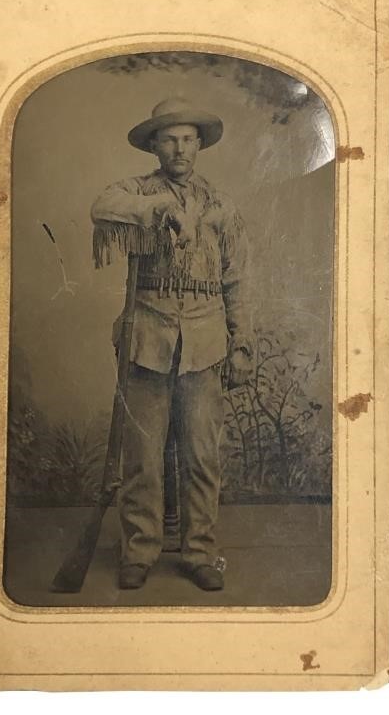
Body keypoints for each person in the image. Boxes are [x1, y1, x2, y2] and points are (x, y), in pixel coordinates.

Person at [91, 97, 253, 591]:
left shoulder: (222, 206)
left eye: (188, 139)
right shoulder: (135, 190)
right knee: (143, 453)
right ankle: (139, 550)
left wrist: (242, 340)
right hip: (148, 334)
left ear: (199, 145)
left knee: (203, 453)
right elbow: (102, 207)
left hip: (205, 339)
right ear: (155, 146)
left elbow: (238, 280)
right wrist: (161, 209)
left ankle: (201, 552)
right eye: (169, 139)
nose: (179, 148)